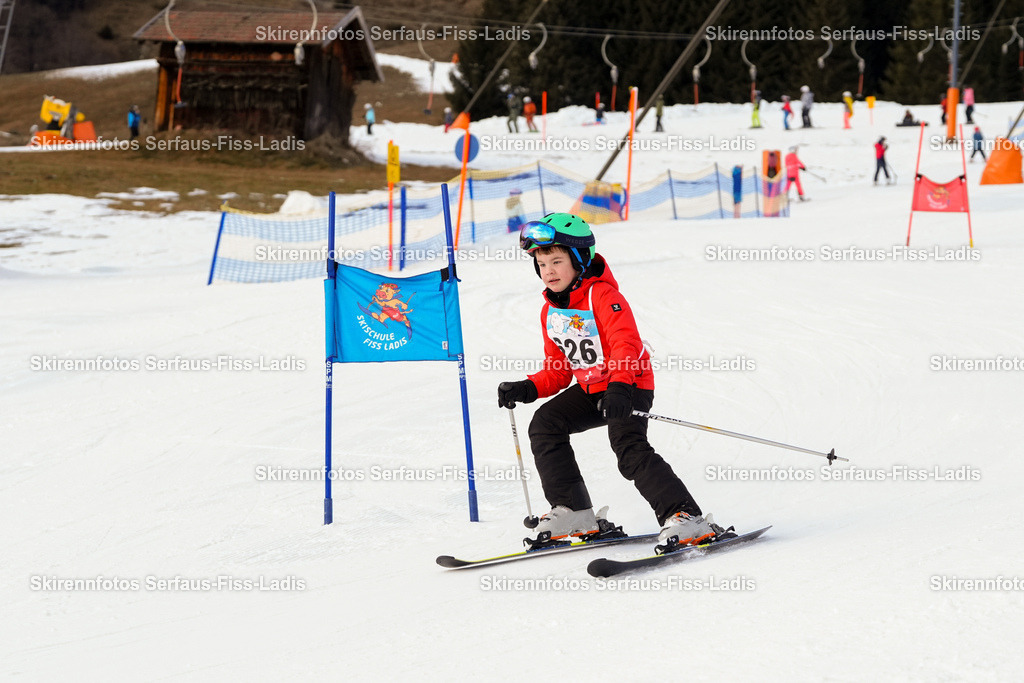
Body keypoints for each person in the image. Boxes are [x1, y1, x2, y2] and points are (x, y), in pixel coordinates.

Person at [497, 213, 715, 547]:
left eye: (556, 261)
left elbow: (625, 344)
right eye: (541, 264)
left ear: (580, 259)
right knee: (545, 423)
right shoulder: (551, 311)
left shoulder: (603, 296)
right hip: (591, 389)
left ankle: (684, 516)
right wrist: (527, 387)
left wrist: (620, 386)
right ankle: (573, 510)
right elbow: (558, 371)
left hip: (629, 386)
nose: (549, 271)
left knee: (628, 447)